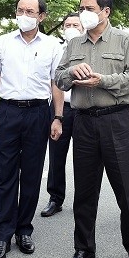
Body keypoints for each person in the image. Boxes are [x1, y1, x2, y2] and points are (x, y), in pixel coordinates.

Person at [55, 0, 129, 258]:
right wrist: (72, 74)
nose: (84, 12)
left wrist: (102, 80)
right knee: (84, 191)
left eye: (90, 7)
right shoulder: (74, 44)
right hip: (83, 122)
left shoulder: (124, 40)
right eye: (81, 7)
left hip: (117, 121)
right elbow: (58, 77)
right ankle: (83, 249)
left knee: (128, 192)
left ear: (105, 12)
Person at [0, 0, 63, 258]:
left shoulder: (53, 45)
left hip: (39, 112)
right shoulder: (2, 42)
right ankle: (2, 234)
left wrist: (57, 117)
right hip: (8, 111)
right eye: (20, 10)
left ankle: (23, 230)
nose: (24, 15)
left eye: (30, 11)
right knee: (5, 176)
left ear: (41, 16)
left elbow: (56, 83)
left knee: (31, 175)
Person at [40, 12, 82, 218]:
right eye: (68, 24)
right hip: (60, 109)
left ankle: (83, 201)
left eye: (76, 24)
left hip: (83, 109)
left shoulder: (88, 50)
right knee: (56, 155)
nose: (71, 28)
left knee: (84, 158)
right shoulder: (56, 50)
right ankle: (55, 198)